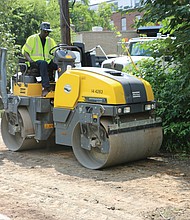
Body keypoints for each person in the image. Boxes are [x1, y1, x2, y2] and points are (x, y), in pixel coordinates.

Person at [22, 22, 58, 97]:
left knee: (58, 65)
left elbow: (56, 51)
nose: (46, 33)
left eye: (48, 32)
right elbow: (25, 52)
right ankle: (45, 87)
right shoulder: (32, 39)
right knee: (43, 63)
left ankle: (61, 86)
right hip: (35, 62)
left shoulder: (50, 41)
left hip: (47, 61)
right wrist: (30, 61)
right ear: (40, 30)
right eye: (45, 31)